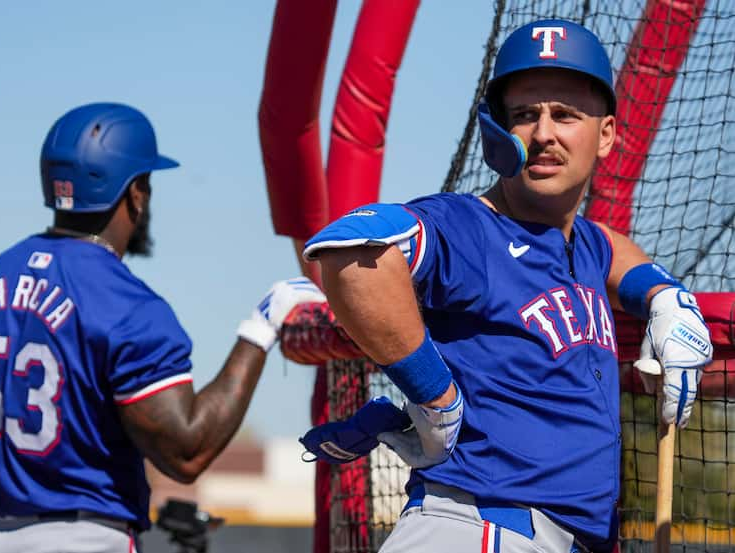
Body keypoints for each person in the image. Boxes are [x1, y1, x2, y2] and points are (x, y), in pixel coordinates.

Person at [297, 19, 713, 553]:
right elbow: (352, 251)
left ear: (606, 134)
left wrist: (665, 296)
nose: (544, 134)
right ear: (498, 131)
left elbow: (612, 248)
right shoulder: (470, 225)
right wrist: (435, 398)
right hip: (477, 529)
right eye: (524, 115)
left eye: (565, 115)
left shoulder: (585, 244)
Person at [0, 102, 326, 553]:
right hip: (82, 538)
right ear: (136, 193)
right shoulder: (126, 305)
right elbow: (186, 452)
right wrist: (261, 326)